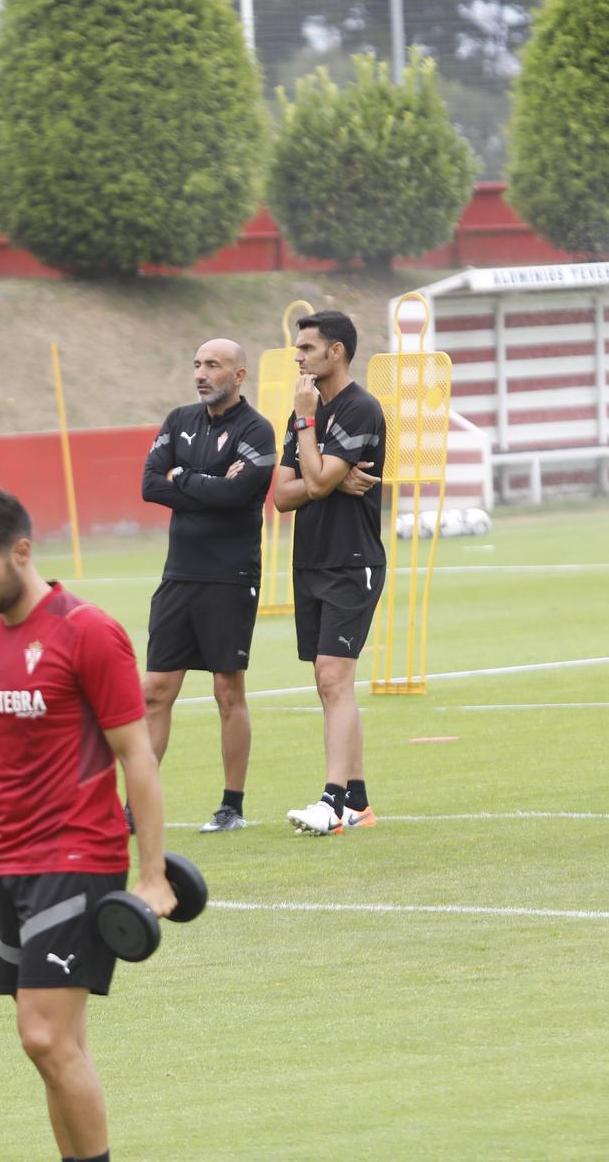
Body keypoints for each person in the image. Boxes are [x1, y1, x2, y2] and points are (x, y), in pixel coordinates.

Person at [0, 483, 174, 1162]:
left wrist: (152, 875)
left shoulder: (86, 630)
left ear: (21, 550)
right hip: (11, 863)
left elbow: (137, 755)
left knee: (45, 1035)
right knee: (48, 1046)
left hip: (79, 854)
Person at [139, 337, 277, 832]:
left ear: (238, 375)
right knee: (155, 689)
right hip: (179, 574)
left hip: (231, 575)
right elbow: (150, 484)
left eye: (213, 365)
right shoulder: (178, 421)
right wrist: (205, 484)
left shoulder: (257, 432)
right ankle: (139, 807)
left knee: (227, 689)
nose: (201, 373)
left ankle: (231, 807)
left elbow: (240, 494)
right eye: (196, 363)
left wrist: (184, 480)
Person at [271, 310, 386, 837]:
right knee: (330, 685)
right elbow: (284, 494)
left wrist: (308, 434)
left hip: (351, 562)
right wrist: (329, 476)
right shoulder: (306, 410)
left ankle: (332, 802)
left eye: (307, 348)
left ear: (335, 351)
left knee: (332, 678)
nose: (298, 357)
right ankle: (358, 803)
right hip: (311, 559)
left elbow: (312, 483)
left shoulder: (359, 408)